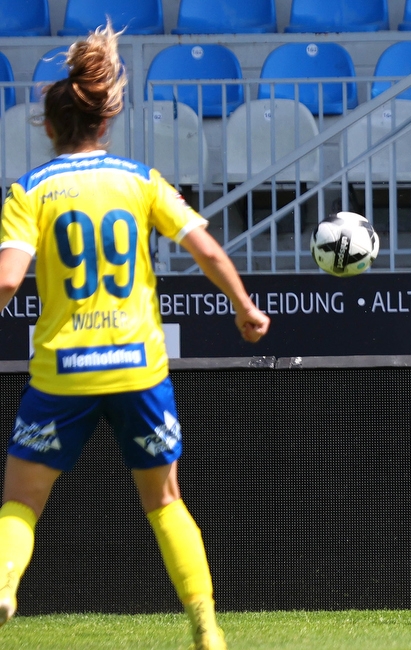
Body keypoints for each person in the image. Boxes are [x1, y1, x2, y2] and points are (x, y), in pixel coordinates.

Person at [0, 25, 270, 650]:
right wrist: (244, 308)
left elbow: (9, 279)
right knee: (165, 500)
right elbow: (205, 247)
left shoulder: (29, 192)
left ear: (48, 125)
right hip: (138, 368)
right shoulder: (139, 179)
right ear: (105, 119)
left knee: (21, 500)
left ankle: (6, 584)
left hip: (62, 371)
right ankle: (205, 625)